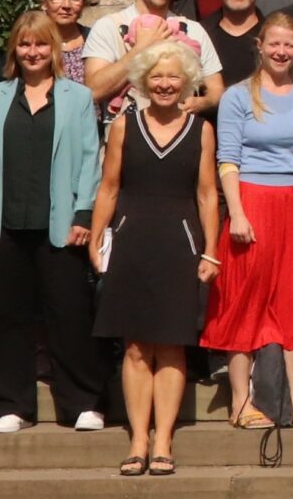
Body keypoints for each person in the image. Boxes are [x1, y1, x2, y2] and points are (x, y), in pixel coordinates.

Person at [0, 13, 106, 434]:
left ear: (54, 49)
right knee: (4, 317)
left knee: (70, 316)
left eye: (41, 45)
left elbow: (88, 161)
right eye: (25, 45)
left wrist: (84, 214)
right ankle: (10, 404)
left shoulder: (77, 97)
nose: (33, 52)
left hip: (60, 225)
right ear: (15, 49)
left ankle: (83, 402)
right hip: (4, 223)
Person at [87, 37, 218, 474]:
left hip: (180, 244)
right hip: (132, 240)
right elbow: (109, 187)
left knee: (172, 346)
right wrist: (97, 235)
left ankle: (164, 439)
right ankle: (138, 440)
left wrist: (212, 251)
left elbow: (206, 194)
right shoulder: (125, 124)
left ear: (187, 83)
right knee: (137, 347)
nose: (164, 84)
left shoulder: (202, 129)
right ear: (144, 79)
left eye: (173, 77)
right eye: (157, 76)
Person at [198, 14, 293, 428]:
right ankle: (241, 401)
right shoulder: (239, 96)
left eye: (289, 45)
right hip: (252, 202)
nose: (281, 52)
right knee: (245, 300)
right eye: (274, 44)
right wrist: (236, 211)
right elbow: (228, 159)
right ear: (260, 45)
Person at [84, 0, 220, 115]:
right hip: (124, 136)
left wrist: (201, 102)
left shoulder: (193, 29)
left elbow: (216, 90)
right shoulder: (109, 26)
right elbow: (92, 91)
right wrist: (141, 49)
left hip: (179, 134)